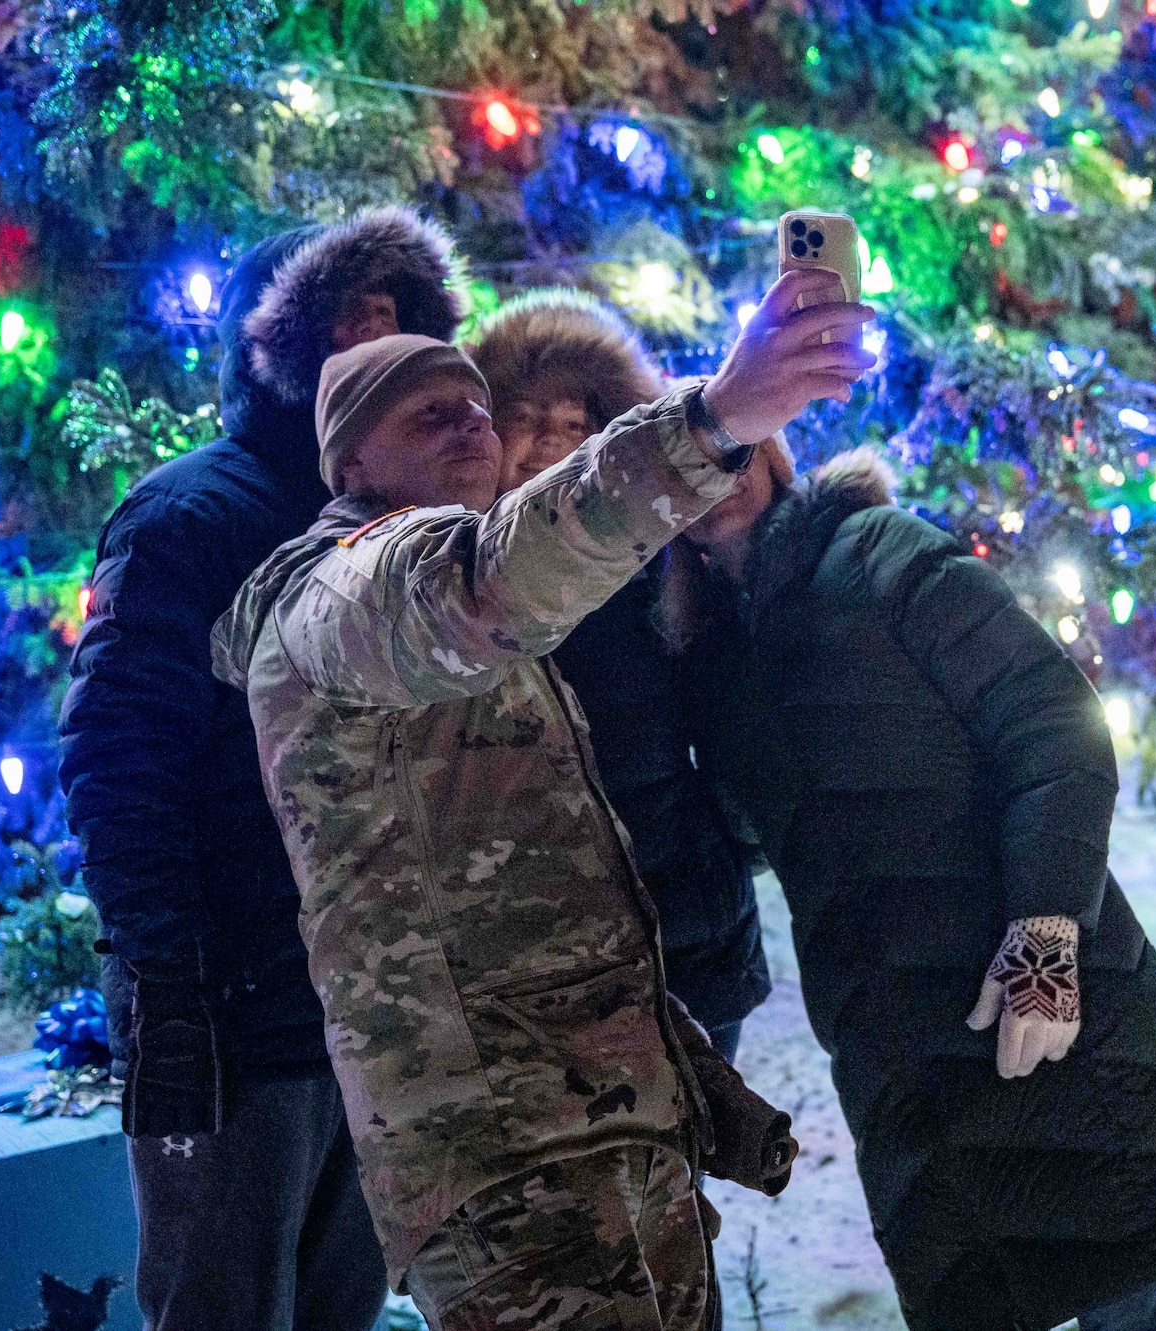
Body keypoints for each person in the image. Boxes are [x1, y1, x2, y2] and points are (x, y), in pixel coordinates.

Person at [208, 270, 872, 1331]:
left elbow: (562, 894)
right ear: (349, 460)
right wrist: (714, 419)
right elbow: (485, 578)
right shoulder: (343, 587)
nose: (473, 426)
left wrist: (686, 1078)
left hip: (598, 1123)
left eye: (477, 406)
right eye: (432, 415)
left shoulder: (502, 633)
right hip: (505, 1154)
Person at [662, 445, 1156, 1331]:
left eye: (733, 446)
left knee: (1122, 1283)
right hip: (891, 1038)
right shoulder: (710, 658)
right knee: (991, 1288)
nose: (713, 470)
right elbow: (756, 833)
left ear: (776, 458)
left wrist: (1046, 935)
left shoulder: (875, 550)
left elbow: (1053, 725)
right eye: (683, 460)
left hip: (1020, 986)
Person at [57, 206, 462, 1331]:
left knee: (341, 1303)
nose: (372, 337)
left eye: (395, 315)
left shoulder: (412, 529)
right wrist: (174, 978)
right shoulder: (191, 515)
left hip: (372, 1014)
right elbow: (115, 757)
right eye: (347, 315)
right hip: (238, 1012)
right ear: (277, 345)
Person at [466, 289, 771, 1062]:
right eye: (527, 419)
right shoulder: (450, 582)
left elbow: (737, 716)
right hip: (531, 961)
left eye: (576, 425)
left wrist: (731, 841)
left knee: (687, 1171)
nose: (547, 444)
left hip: (684, 938)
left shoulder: (663, 568)